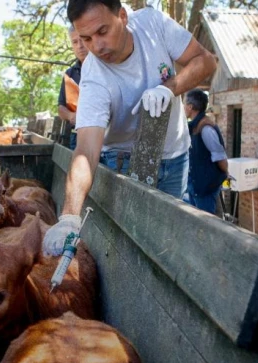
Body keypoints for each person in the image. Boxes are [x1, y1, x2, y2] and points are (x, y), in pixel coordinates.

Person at [43, 0, 217, 256]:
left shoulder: (153, 24)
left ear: (122, 16)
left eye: (103, 31)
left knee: (170, 244)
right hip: (121, 162)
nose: (97, 46)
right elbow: (86, 151)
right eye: (86, 39)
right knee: (130, 250)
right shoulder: (93, 76)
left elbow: (206, 60)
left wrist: (168, 89)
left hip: (176, 156)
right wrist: (69, 216)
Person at [183, 89, 228, 215]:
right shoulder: (194, 125)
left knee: (208, 225)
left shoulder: (206, 128)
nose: (183, 107)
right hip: (196, 187)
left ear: (190, 107)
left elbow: (220, 157)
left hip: (205, 188)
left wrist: (224, 173)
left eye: (185, 104)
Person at [57, 26, 88, 150]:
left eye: (83, 40)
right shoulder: (69, 74)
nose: (80, 46)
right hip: (76, 136)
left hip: (104, 138)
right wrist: (71, 116)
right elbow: (61, 107)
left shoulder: (105, 67)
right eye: (75, 42)